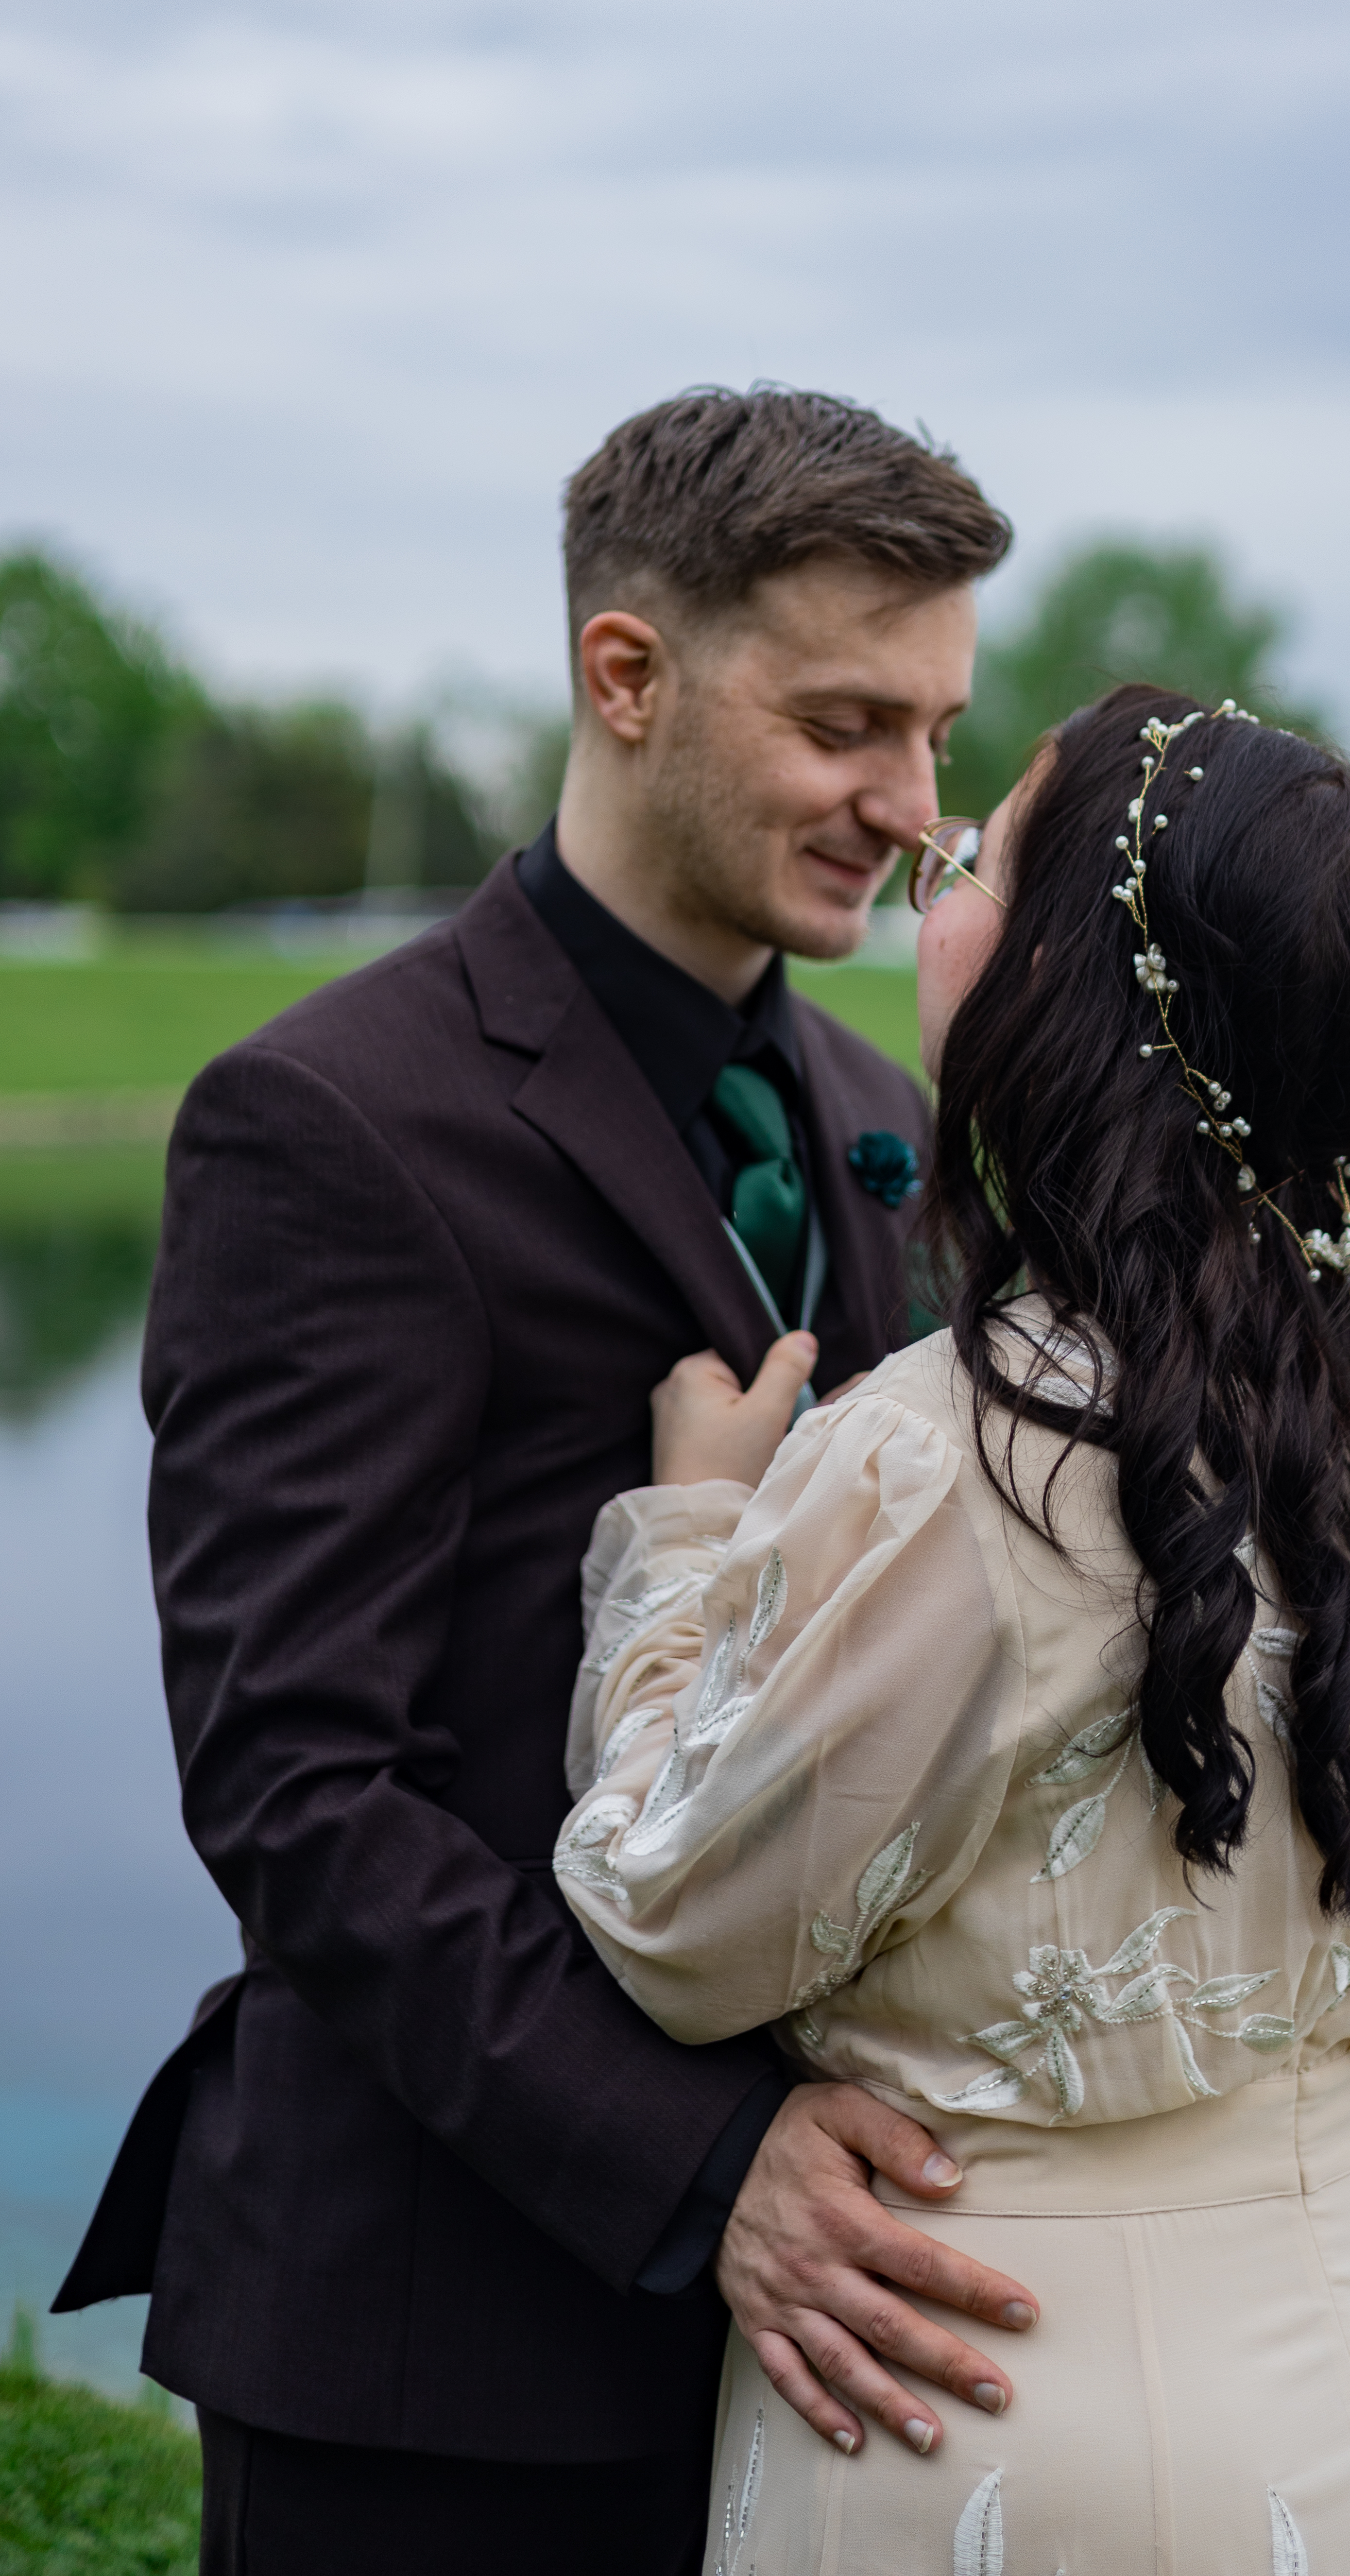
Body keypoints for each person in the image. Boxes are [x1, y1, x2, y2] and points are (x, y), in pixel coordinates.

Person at [53, 388, 1042, 2576]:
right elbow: (297, 1788)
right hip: (436, 2355)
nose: (911, 808)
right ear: (626, 676)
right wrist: (709, 2160)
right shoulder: (329, 1120)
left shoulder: (887, 1112)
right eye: (844, 726)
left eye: (936, 734)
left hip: (824, 2373)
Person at [555, 683, 1350, 2573]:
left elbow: (671, 1917)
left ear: (1074, 981)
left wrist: (689, 1537)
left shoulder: (956, 1452)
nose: (929, 873)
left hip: (1009, 2403)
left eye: (979, 859)